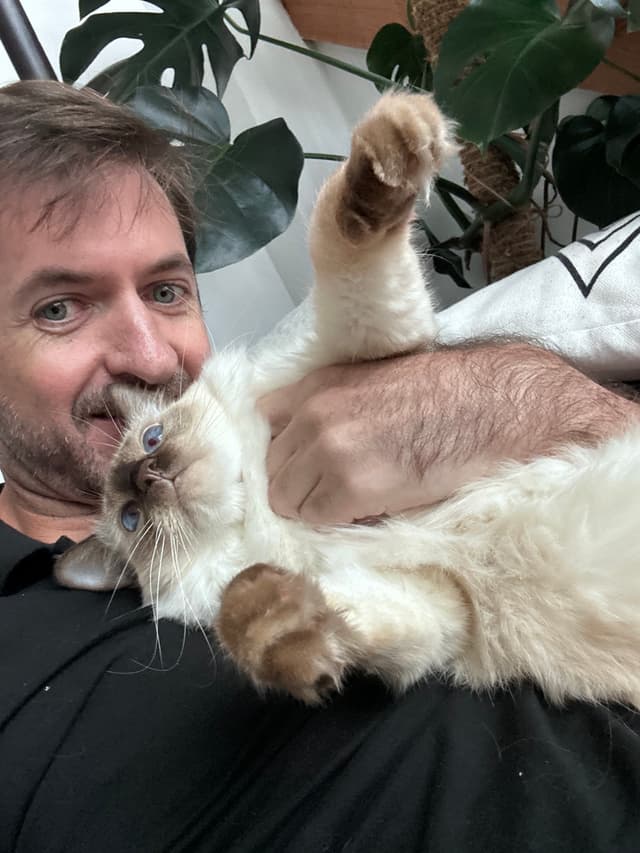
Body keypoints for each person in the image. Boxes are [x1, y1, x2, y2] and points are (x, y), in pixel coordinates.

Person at [1, 79, 639, 853]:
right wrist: (327, 628)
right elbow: (429, 616)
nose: (148, 355)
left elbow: (362, 335)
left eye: (168, 289)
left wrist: (362, 249)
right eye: (59, 307)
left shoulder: (252, 403)